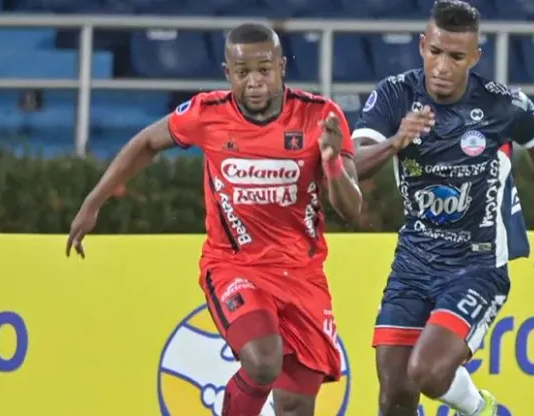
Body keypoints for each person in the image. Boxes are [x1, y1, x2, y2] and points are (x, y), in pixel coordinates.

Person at [65, 23, 362, 416]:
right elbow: (147, 142)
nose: (254, 82)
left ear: (282, 67)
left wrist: (331, 165)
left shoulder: (321, 117)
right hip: (234, 267)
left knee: (295, 405)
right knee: (262, 361)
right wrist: (94, 200)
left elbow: (352, 209)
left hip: (302, 276)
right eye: (243, 73)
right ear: (227, 74)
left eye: (264, 70)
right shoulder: (207, 114)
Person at [351, 1, 534, 415]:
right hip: (412, 263)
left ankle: (484, 409)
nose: (443, 67)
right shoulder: (395, 95)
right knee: (393, 398)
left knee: (428, 373)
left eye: (456, 57)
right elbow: (352, 167)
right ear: (421, 46)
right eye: (435, 52)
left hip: (476, 266)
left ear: (475, 57)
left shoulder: (503, 105)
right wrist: (396, 141)